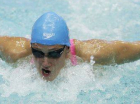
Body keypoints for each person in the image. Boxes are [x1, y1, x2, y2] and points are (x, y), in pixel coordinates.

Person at [0, 12, 140, 81]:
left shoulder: (94, 54)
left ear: (67, 51)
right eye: (38, 53)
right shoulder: (14, 51)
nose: (45, 62)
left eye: (54, 54)